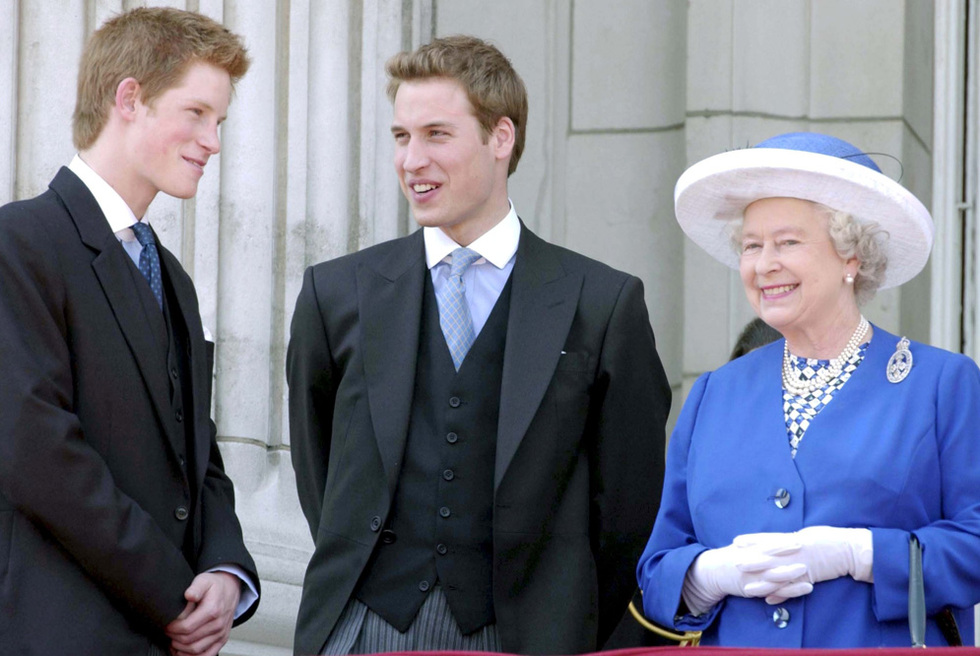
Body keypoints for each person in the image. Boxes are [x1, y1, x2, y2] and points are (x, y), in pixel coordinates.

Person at [288, 34, 670, 656]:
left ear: (501, 137)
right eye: (401, 137)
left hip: (524, 637)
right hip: (363, 630)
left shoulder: (602, 303)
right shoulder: (336, 293)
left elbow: (628, 512)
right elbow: (320, 472)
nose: (412, 160)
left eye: (437, 134)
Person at [636, 131, 980, 647]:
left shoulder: (939, 384)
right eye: (752, 246)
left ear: (850, 257)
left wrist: (861, 554)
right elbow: (657, 566)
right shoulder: (714, 394)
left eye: (788, 242)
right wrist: (709, 574)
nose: (763, 264)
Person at [0, 8, 259, 655]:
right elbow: (39, 454)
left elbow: (199, 457)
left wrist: (226, 573)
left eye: (219, 122)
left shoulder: (172, 278)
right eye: (197, 113)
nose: (213, 141)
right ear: (130, 98)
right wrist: (175, 593)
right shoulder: (20, 243)